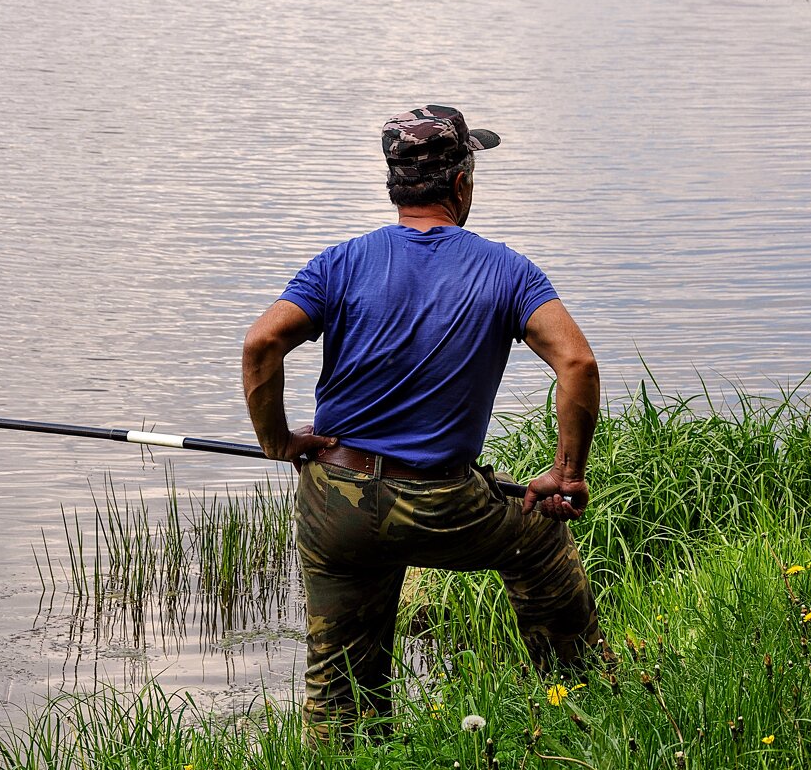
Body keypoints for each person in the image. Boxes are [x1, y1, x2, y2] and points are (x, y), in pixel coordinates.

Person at [242, 105, 612, 745]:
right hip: (443, 500)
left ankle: (346, 747)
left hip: (337, 496)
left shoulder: (341, 263)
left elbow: (262, 344)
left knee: (338, 688)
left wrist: (277, 442)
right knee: (542, 540)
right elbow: (577, 362)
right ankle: (585, 698)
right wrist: (565, 474)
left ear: (395, 184)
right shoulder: (506, 271)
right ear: (462, 182)